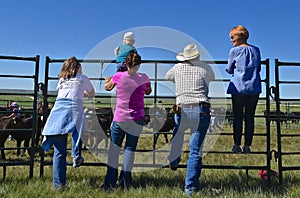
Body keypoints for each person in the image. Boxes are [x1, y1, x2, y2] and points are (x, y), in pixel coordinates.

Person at [165, 44, 215, 196]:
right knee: (195, 150)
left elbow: (167, 77)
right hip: (202, 108)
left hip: (183, 108)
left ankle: (174, 160)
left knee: (178, 134)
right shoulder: (206, 67)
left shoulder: (177, 67)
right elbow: (211, 78)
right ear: (197, 56)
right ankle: (190, 188)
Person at [41, 57, 95, 189]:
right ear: (77, 68)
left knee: (59, 152)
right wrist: (83, 92)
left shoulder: (62, 80)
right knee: (80, 128)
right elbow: (91, 93)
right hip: (74, 108)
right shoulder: (83, 78)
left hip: (58, 110)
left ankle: (59, 186)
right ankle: (76, 155)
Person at [103, 52, 151, 191]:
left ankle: (110, 184)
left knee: (114, 151)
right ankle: (125, 182)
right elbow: (148, 91)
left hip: (120, 119)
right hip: (137, 119)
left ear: (126, 64)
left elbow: (108, 87)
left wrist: (108, 80)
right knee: (130, 150)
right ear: (139, 64)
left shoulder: (119, 76)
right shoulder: (144, 78)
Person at [225, 25, 262, 154]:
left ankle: (236, 145)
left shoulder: (234, 51)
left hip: (238, 88)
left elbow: (229, 69)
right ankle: (247, 146)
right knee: (250, 117)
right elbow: (258, 68)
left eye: (232, 37)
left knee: (238, 117)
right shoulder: (256, 50)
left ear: (239, 37)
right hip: (254, 87)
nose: (231, 40)